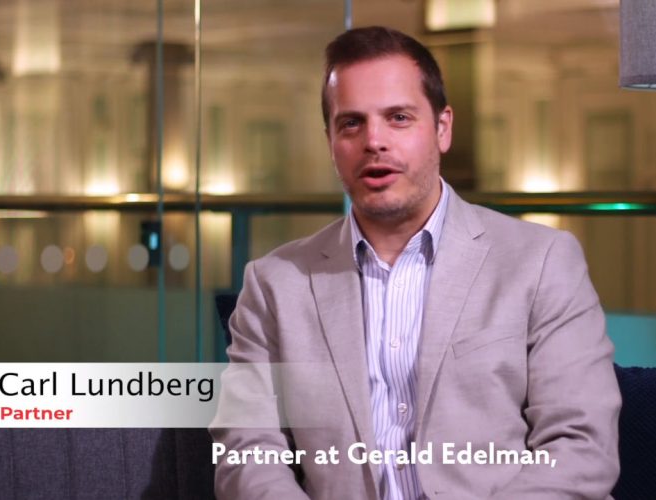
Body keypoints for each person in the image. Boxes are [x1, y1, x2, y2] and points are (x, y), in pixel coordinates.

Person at [211, 26, 621, 500]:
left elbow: (580, 446)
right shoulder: (275, 283)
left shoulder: (541, 262)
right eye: (351, 123)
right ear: (330, 141)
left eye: (399, 118)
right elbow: (247, 451)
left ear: (443, 128)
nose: (374, 141)